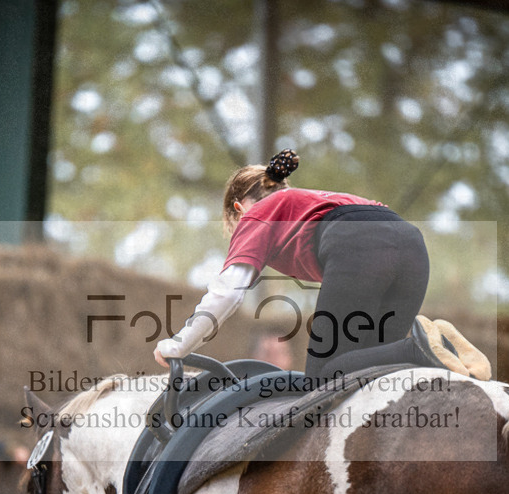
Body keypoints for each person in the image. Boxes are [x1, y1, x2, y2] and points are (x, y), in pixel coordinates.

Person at [154, 149, 437, 381]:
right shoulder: (319, 200)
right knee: (374, 372)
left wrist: (179, 344)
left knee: (324, 375)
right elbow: (383, 235)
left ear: (239, 209)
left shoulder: (258, 213)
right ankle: (433, 349)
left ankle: (416, 350)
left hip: (359, 245)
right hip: (413, 246)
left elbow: (228, 293)